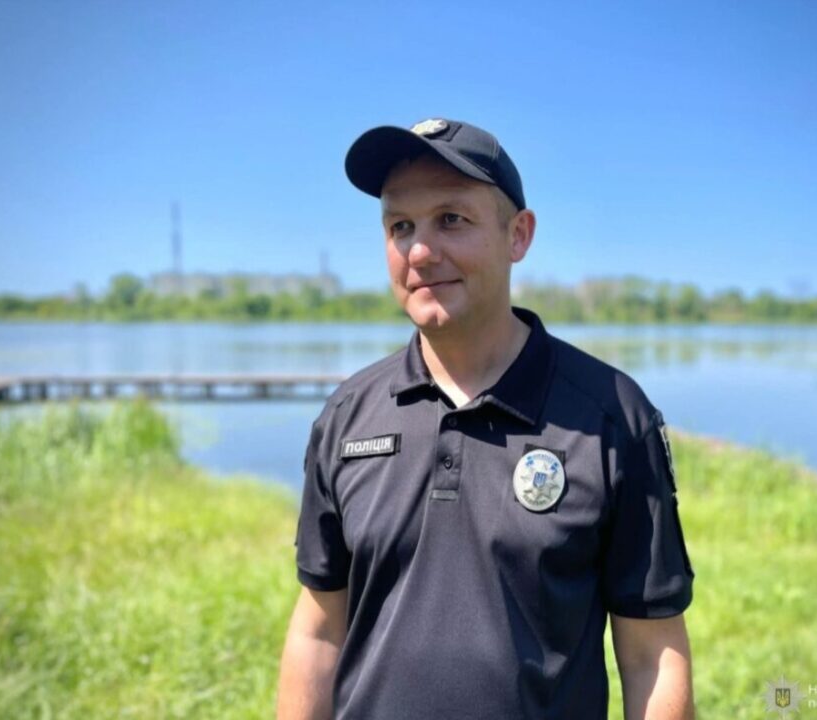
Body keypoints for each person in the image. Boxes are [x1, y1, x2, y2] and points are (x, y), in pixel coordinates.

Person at [277, 118, 695, 720]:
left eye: (451, 219)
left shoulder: (610, 417)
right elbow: (318, 631)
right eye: (400, 226)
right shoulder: (348, 417)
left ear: (517, 235)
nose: (420, 252)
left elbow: (652, 655)